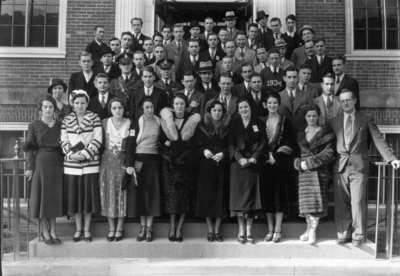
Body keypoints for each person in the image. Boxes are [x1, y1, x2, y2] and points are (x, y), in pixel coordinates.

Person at [328, 89, 400, 246]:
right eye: (342, 101)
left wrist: (391, 159)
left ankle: (358, 234)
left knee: (358, 200)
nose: (345, 103)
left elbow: (378, 139)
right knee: (341, 202)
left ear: (354, 101)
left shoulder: (365, 118)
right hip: (340, 166)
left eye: (348, 100)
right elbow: (327, 145)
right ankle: (343, 233)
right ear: (339, 103)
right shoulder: (333, 122)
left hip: (358, 166)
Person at [61, 90, 102, 243]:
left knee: (87, 199)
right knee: (76, 199)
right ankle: (78, 229)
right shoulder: (67, 119)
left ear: (87, 103)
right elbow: (63, 140)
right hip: (72, 165)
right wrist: (71, 155)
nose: (79, 106)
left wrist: (84, 153)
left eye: (82, 103)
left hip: (89, 164)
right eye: (77, 103)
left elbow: (98, 139)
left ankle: (87, 229)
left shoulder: (94, 118)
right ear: (72, 104)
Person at [159, 94, 201, 242]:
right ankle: (171, 226)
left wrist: (183, 158)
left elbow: (196, 144)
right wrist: (170, 156)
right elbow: (161, 144)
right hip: (170, 166)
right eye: (176, 104)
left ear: (186, 105)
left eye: (182, 104)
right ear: (172, 105)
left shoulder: (193, 121)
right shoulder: (165, 122)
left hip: (185, 165)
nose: (179, 107)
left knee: (184, 199)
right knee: (172, 198)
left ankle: (179, 227)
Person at [24, 95, 64, 245]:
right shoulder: (33, 125)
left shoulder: (60, 124)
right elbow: (29, 148)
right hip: (41, 163)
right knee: (42, 198)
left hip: (57, 163)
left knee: (53, 198)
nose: (48, 109)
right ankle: (45, 231)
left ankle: (53, 230)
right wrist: (30, 167)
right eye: (45, 107)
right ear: (40, 109)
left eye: (51, 107)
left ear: (55, 108)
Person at [229, 97, 268, 244]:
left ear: (250, 108)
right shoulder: (234, 123)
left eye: (246, 107)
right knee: (239, 200)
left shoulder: (258, 122)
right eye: (241, 108)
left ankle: (249, 231)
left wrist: (254, 157)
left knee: (251, 199)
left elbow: (264, 141)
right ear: (238, 110)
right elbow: (231, 143)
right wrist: (240, 158)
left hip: (253, 163)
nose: (243, 110)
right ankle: (241, 231)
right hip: (238, 165)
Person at [294, 104, 335, 245]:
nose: (311, 118)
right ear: (305, 117)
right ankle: (307, 229)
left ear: (318, 116)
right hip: (304, 173)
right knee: (306, 204)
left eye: (314, 116)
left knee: (316, 203)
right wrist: (299, 163)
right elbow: (295, 154)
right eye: (309, 116)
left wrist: (309, 162)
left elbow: (328, 154)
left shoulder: (325, 133)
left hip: (319, 172)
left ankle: (313, 231)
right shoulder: (300, 132)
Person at [126, 96, 162, 242]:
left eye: (151, 107)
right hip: (139, 160)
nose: (149, 110)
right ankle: (142, 227)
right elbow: (130, 144)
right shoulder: (135, 123)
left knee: (152, 194)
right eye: (146, 107)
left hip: (154, 161)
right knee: (141, 195)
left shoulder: (160, 121)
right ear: (142, 108)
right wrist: (129, 164)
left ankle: (149, 228)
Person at [261, 93, 295, 243]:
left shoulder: (285, 121)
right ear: (265, 104)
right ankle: (270, 229)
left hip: (279, 165)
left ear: (279, 104)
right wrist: (266, 156)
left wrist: (276, 156)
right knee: (268, 198)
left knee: (279, 197)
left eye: (275, 103)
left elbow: (289, 142)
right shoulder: (261, 121)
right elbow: (257, 142)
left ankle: (278, 229)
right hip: (265, 165)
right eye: (270, 103)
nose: (272, 105)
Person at [196, 101, 231, 242]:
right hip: (206, 166)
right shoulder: (202, 127)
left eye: (220, 110)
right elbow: (196, 145)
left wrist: (223, 153)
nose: (217, 113)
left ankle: (217, 229)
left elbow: (232, 145)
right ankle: (210, 228)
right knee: (207, 198)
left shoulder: (228, 127)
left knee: (220, 198)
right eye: (214, 110)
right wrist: (203, 150)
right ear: (209, 111)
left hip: (222, 166)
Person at [99, 98, 130, 242]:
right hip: (107, 161)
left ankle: (120, 227)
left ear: (124, 109)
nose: (117, 110)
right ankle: (111, 227)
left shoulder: (130, 123)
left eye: (120, 108)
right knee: (108, 192)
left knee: (122, 193)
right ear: (110, 109)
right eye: (114, 108)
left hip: (122, 161)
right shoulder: (105, 123)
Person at [278, 67, 315, 133]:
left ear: (298, 78)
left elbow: (311, 115)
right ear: (284, 78)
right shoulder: (278, 96)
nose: (292, 80)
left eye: (294, 77)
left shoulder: (307, 95)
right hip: (283, 133)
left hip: (302, 133)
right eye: (289, 77)